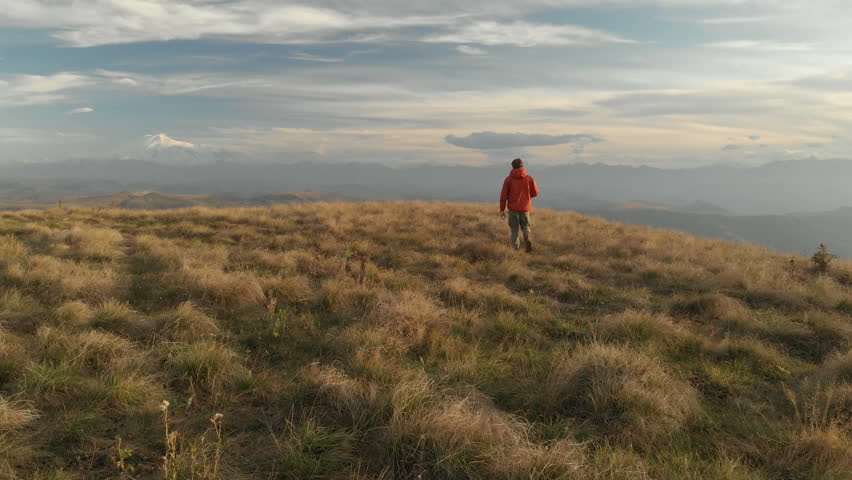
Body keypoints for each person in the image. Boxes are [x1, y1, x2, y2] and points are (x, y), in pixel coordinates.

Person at [499, 158, 540, 252]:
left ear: (513, 167)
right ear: (522, 166)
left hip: (513, 209)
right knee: (525, 226)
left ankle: (515, 249)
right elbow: (536, 192)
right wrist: (527, 197)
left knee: (514, 230)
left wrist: (502, 210)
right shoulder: (529, 178)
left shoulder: (508, 179)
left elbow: (503, 196)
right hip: (525, 208)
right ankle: (527, 239)